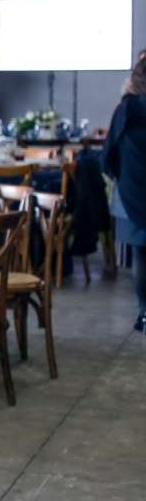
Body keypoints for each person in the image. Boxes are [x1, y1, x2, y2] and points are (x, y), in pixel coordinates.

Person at [102, 49, 146, 332]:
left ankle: (145, 312)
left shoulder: (125, 110)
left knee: (142, 257)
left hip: (132, 194)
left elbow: (107, 156)